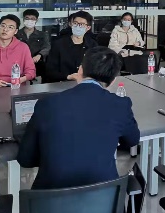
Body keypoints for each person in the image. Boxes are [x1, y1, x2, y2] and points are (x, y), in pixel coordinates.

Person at [17, 47, 140, 189]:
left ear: (80, 71)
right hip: (104, 197)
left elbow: (25, 159)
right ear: (112, 81)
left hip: (49, 199)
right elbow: (132, 140)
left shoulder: (47, 104)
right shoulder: (120, 105)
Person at [45, 11, 98, 82]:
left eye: (81, 24)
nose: (78, 26)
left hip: (85, 83)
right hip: (62, 83)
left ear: (88, 28)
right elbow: (50, 71)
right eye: (75, 23)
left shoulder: (92, 45)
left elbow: (96, 67)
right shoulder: (59, 44)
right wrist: (68, 76)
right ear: (71, 24)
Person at [16, 9, 51, 79]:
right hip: (20, 63)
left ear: (36, 20)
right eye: (27, 18)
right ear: (23, 19)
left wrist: (39, 55)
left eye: (32, 19)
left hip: (37, 63)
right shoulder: (17, 34)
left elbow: (47, 47)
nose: (29, 21)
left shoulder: (42, 34)